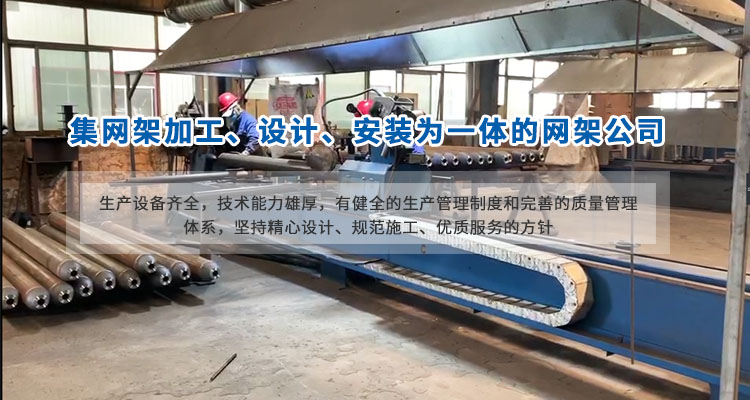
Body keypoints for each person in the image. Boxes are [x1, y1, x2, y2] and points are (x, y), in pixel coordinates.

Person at [218, 92, 267, 156]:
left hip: (254, 158)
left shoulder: (248, 120)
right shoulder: (234, 124)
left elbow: (255, 138)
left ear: (236, 109)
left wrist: (246, 152)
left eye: (231, 114)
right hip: (242, 157)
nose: (230, 117)